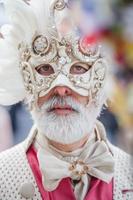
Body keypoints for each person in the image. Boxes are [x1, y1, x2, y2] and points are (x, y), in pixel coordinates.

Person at [0, 0, 132, 199]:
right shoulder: (3, 176)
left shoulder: (129, 174)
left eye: (79, 68)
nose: (61, 89)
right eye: (45, 69)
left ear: (103, 75)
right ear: (26, 77)